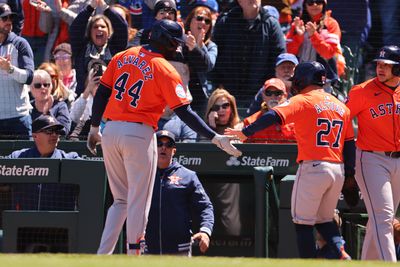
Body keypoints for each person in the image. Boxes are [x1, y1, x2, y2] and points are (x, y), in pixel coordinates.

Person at [90, 19, 241, 255]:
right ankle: (134, 255)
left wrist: (93, 127)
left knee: (120, 200)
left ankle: (102, 256)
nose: (178, 47)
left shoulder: (122, 55)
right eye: (175, 42)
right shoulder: (164, 68)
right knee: (139, 200)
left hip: (110, 130)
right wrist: (214, 137)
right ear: (164, 40)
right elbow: (184, 111)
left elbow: (102, 93)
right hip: (138, 132)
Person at [226, 61, 354, 259]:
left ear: (303, 80)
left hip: (314, 166)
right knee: (324, 219)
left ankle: (308, 263)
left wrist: (245, 133)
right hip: (337, 169)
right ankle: (340, 251)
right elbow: (350, 144)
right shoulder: (340, 106)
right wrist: (350, 174)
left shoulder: (303, 99)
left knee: (302, 223)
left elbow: (272, 117)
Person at [345, 45, 400, 262]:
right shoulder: (362, 91)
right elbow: (342, 119)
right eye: (379, 64)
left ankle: (366, 263)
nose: (381, 68)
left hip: (398, 160)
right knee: (384, 217)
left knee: (379, 220)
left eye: (387, 65)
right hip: (371, 158)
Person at [145, 130, 214, 255]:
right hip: (147, 248)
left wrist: (205, 231)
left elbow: (205, 206)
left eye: (168, 145)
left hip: (179, 249)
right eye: (159, 143)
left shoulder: (188, 176)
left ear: (174, 150)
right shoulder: (141, 174)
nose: (163, 148)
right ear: (152, 147)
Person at [211, 0, 286, 107]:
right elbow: (215, 55)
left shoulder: (271, 24)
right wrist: (218, 84)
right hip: (228, 94)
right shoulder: (226, 22)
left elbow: (279, 58)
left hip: (260, 96)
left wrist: (269, 89)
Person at [8, 114, 80, 211]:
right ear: (35, 136)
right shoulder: (17, 157)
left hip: (60, 224)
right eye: (49, 131)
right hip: (23, 223)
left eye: (57, 131)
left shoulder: (70, 158)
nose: (54, 135)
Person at [203, 88, 242, 236]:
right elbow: (201, 153)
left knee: (230, 220)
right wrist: (211, 128)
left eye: (225, 106)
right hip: (208, 180)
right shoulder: (204, 129)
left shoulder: (239, 127)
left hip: (235, 181)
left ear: (232, 108)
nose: (221, 110)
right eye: (216, 107)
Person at [69, 0, 128, 96]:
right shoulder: (81, 49)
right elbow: (75, 29)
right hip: (85, 97)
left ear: (109, 33)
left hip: (110, 98)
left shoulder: (116, 48)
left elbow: (122, 27)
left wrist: (105, 8)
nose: (99, 29)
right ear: (89, 32)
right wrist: (90, 8)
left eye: (103, 27)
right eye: (95, 27)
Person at [286, 0, 345, 84]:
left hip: (325, 78)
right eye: (310, 2)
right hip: (299, 76)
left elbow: (328, 54)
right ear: (305, 5)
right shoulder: (297, 24)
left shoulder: (331, 24)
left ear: (324, 5)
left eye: (318, 2)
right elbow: (289, 54)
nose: (314, 5)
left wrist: (314, 35)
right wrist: (299, 36)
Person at [0, 3, 34, 139]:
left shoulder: (20, 43)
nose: (9, 21)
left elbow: (29, 77)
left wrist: (10, 69)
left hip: (19, 118)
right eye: (4, 18)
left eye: (10, 18)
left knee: (25, 161)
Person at [183, 5, 218, 114]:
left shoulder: (211, 46)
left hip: (199, 97)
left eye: (207, 21)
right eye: (199, 18)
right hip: (179, 92)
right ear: (190, 21)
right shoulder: (179, 40)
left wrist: (199, 47)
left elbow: (208, 66)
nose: (203, 22)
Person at [242, 78, 295, 143]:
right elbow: (246, 150)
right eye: (268, 93)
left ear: (285, 96)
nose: (273, 96)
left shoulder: (296, 122)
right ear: (263, 96)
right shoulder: (249, 122)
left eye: (277, 93)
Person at [30, 69, 72, 136]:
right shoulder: (27, 108)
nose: (43, 88)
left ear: (51, 87)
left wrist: (48, 113)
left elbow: (64, 131)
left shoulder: (60, 106)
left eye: (46, 85)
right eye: (38, 85)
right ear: (31, 88)